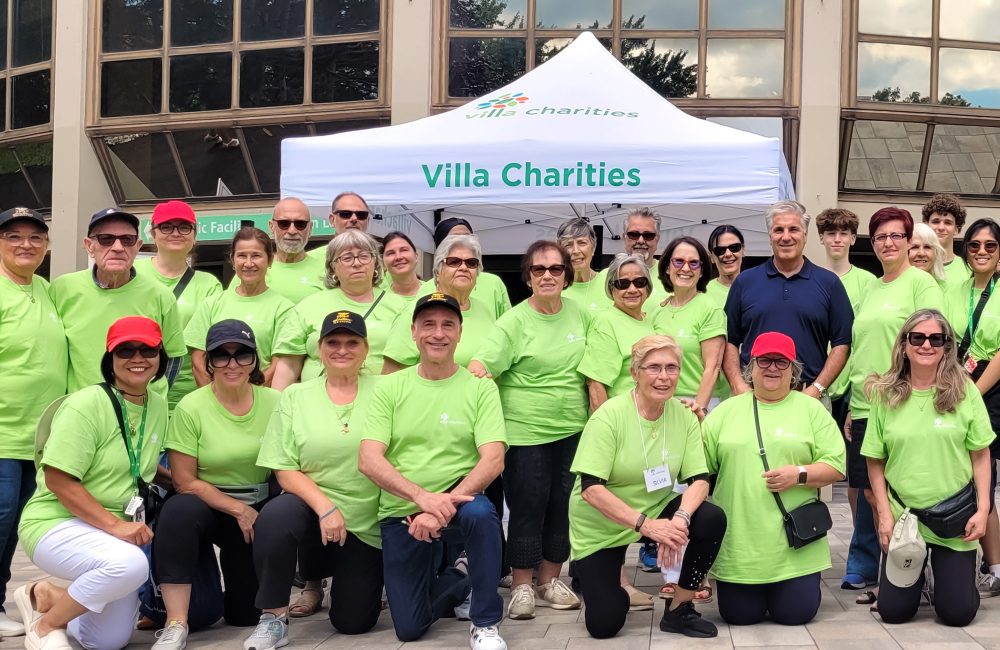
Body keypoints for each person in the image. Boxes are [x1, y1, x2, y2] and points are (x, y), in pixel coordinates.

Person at [358, 293, 508, 649]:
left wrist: (441, 508)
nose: (437, 333)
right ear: (413, 332)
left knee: (482, 513)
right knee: (409, 629)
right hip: (404, 512)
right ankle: (460, 579)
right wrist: (421, 499)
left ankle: (485, 623)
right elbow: (369, 459)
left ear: (459, 333)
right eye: (428, 324)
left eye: (447, 325)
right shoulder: (389, 387)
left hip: (458, 506)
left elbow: (493, 459)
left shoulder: (480, 388)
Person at [16, 316, 168, 650]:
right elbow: (58, 479)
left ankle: (47, 596)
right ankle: (45, 627)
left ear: (161, 357)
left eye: (148, 350)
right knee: (131, 565)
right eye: (126, 350)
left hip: (113, 532)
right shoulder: (85, 404)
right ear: (110, 359)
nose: (138, 358)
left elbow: (141, 463)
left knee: (106, 641)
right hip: (57, 523)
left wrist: (186, 483)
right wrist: (116, 525)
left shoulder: (157, 404)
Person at [569, 335, 727, 639]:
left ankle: (680, 608)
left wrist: (679, 520)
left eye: (672, 367)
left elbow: (699, 480)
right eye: (654, 368)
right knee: (604, 625)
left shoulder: (685, 415)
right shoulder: (609, 416)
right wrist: (649, 527)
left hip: (655, 504)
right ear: (635, 372)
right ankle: (602, 585)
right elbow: (590, 489)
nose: (664, 376)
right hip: (601, 522)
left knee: (710, 518)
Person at [469, 241, 589, 621]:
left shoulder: (581, 314)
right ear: (528, 276)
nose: (548, 275)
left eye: (556, 269)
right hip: (525, 432)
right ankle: (521, 585)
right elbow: (480, 367)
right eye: (540, 270)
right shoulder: (514, 322)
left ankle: (550, 580)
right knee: (527, 505)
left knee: (563, 506)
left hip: (573, 428)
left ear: (566, 275)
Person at [250, 311, 383, 648]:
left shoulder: (387, 390)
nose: (342, 349)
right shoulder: (295, 395)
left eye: (352, 342)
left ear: (366, 349)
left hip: (367, 520)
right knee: (274, 518)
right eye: (333, 342)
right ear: (320, 349)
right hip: (311, 508)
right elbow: (283, 468)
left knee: (352, 623)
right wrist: (325, 507)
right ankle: (273, 618)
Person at [151, 320, 281, 649]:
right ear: (208, 362)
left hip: (257, 509)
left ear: (255, 360)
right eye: (221, 356)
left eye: (242, 355)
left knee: (243, 615)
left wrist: (259, 515)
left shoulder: (275, 402)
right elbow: (183, 480)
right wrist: (238, 510)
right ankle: (175, 622)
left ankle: (219, 590)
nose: (232, 364)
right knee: (178, 510)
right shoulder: (191, 406)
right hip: (206, 506)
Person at [703, 331, 846, 625]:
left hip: (795, 546)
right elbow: (698, 468)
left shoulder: (811, 410)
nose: (772, 368)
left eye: (782, 363)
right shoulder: (725, 412)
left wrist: (799, 474)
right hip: (741, 545)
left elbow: (836, 465)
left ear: (793, 371)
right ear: (751, 366)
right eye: (765, 360)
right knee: (739, 616)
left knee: (795, 614)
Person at [864, 309, 993, 626]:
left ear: (947, 346)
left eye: (937, 338)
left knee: (958, 614)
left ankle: (951, 580)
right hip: (904, 519)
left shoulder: (966, 392)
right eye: (917, 337)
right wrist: (883, 512)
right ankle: (918, 579)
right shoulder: (884, 395)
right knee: (893, 613)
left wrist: (983, 509)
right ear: (904, 344)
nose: (926, 345)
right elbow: (874, 460)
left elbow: (981, 455)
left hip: (954, 519)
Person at [848, 207, 945, 533]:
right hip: (865, 406)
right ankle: (891, 574)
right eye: (880, 237)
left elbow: (934, 344)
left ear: (907, 241)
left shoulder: (921, 283)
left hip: (902, 402)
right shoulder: (871, 288)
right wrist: (852, 404)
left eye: (895, 235)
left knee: (903, 492)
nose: (887, 243)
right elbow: (862, 346)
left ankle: (916, 573)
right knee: (873, 495)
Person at [0, 207, 67, 639]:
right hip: (2, 433)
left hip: (40, 438)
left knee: (14, 525)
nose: (25, 244)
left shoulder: (45, 289)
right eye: (13, 236)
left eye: (35, 236)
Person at [722, 200, 853, 401]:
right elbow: (730, 341)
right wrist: (738, 386)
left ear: (805, 235)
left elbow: (842, 343)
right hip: (752, 397)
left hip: (808, 397)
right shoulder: (745, 282)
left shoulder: (829, 284)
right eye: (778, 230)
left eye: (793, 229)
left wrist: (816, 389)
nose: (786, 237)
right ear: (769, 236)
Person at [49, 208, 186, 398]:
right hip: (84, 410)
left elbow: (174, 356)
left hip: (143, 411)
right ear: (89, 246)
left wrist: (153, 395)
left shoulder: (160, 295)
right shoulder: (63, 289)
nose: (118, 247)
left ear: (137, 246)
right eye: (106, 239)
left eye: (127, 240)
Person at [814, 207, 879, 592]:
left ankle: (861, 556)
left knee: (859, 480)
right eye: (830, 233)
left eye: (844, 233)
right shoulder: (815, 280)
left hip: (856, 391)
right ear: (821, 238)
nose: (837, 239)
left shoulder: (869, 283)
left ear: (854, 239)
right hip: (819, 387)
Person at [273, 230, 407, 386]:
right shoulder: (308, 306)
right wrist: (279, 405)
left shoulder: (401, 307)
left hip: (382, 401)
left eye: (364, 256)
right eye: (347, 258)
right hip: (318, 401)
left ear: (375, 263)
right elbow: (288, 365)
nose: (357, 263)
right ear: (332, 267)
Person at [947, 218, 1000, 597]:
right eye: (975, 245)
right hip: (958, 381)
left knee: (986, 478)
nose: (981, 251)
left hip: (990, 388)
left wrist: (974, 393)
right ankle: (974, 560)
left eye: (990, 245)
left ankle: (996, 567)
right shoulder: (955, 288)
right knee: (965, 476)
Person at [135, 200, 223, 410]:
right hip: (135, 391)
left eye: (184, 227)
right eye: (166, 226)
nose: (176, 233)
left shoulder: (209, 284)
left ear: (194, 235)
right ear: (153, 233)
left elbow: (209, 344)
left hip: (188, 395)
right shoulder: (132, 273)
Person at [185, 227, 296, 388]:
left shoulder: (284, 309)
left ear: (270, 260)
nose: (248, 263)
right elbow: (198, 361)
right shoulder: (211, 304)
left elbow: (279, 366)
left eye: (256, 256)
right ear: (232, 259)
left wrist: (249, 398)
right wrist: (219, 398)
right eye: (242, 256)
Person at [383, 234, 496, 370]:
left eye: (471, 263)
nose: (463, 267)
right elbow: (390, 376)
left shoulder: (484, 309)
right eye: (453, 262)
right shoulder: (416, 312)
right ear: (437, 272)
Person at [653, 236, 726, 414]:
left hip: (700, 401)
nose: (685, 268)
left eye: (694, 263)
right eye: (678, 261)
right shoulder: (658, 311)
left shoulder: (709, 309)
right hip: (663, 401)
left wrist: (699, 409)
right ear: (667, 267)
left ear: (701, 271)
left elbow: (713, 366)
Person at [577, 254, 656, 412]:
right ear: (611, 288)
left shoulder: (646, 321)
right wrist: (608, 430)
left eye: (640, 282)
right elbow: (596, 385)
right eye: (623, 284)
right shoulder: (606, 322)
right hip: (621, 421)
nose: (632, 289)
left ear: (648, 287)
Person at [230, 198, 325, 304]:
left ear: (310, 228)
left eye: (300, 224)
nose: (292, 231)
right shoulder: (251, 270)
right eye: (284, 224)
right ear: (271, 227)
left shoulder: (327, 270)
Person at [424, 217, 511, 319]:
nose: (463, 242)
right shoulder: (425, 291)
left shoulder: (494, 283)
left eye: (468, 238)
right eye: (454, 261)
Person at [557, 217, 611, 312]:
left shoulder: (610, 281)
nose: (576, 251)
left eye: (582, 243)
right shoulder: (552, 287)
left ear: (593, 248)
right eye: (568, 245)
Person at [305, 191, 373, 262]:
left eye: (361, 215)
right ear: (332, 220)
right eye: (345, 214)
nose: (354, 219)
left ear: (367, 221)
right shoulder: (311, 260)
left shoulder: (380, 261)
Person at [620, 208, 668, 304]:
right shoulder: (607, 277)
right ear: (624, 238)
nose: (641, 241)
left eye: (648, 235)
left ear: (657, 239)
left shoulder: (671, 276)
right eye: (633, 234)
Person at [922, 192, 970, 286]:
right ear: (927, 225)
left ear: (956, 229)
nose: (941, 227)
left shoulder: (968, 269)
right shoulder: (915, 265)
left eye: (947, 223)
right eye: (936, 222)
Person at [705, 225, 745, 308]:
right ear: (712, 257)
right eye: (720, 250)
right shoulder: (704, 293)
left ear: (743, 250)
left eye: (734, 247)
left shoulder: (757, 288)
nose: (728, 254)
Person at [381, 231, 423, 305]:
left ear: (416, 256)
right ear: (383, 262)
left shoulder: (435, 292)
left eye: (404, 250)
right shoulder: (377, 299)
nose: (398, 257)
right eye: (391, 253)